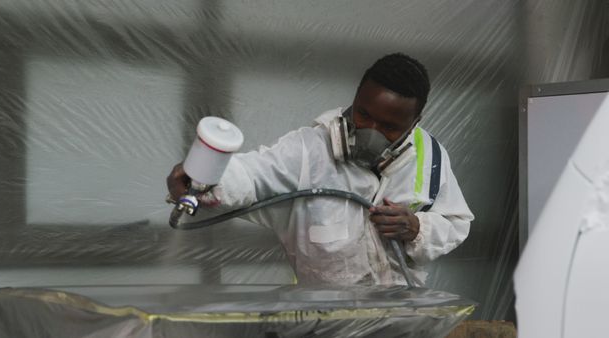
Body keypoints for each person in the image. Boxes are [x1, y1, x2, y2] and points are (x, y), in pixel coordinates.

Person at [167, 53, 474, 286]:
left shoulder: (431, 156)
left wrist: (418, 228)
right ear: (355, 98)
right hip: (325, 323)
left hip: (401, 321)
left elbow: (456, 223)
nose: (370, 131)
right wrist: (204, 178)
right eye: (363, 114)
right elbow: (250, 175)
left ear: (414, 123)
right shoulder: (309, 150)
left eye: (390, 127)